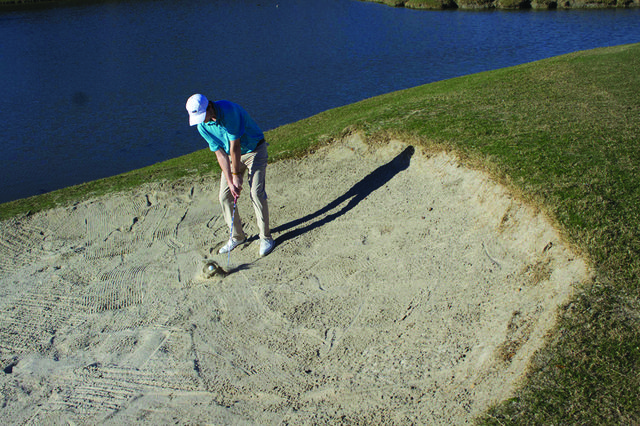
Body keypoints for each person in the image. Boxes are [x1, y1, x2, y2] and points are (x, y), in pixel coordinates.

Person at [186, 94, 275, 257]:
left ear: (209, 108)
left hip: (255, 150)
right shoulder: (202, 126)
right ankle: (237, 237)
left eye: (201, 116)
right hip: (231, 156)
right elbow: (220, 154)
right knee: (225, 196)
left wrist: (236, 175)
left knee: (256, 193)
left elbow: (235, 146)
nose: (200, 121)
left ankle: (266, 237)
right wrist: (230, 179)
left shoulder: (228, 111)